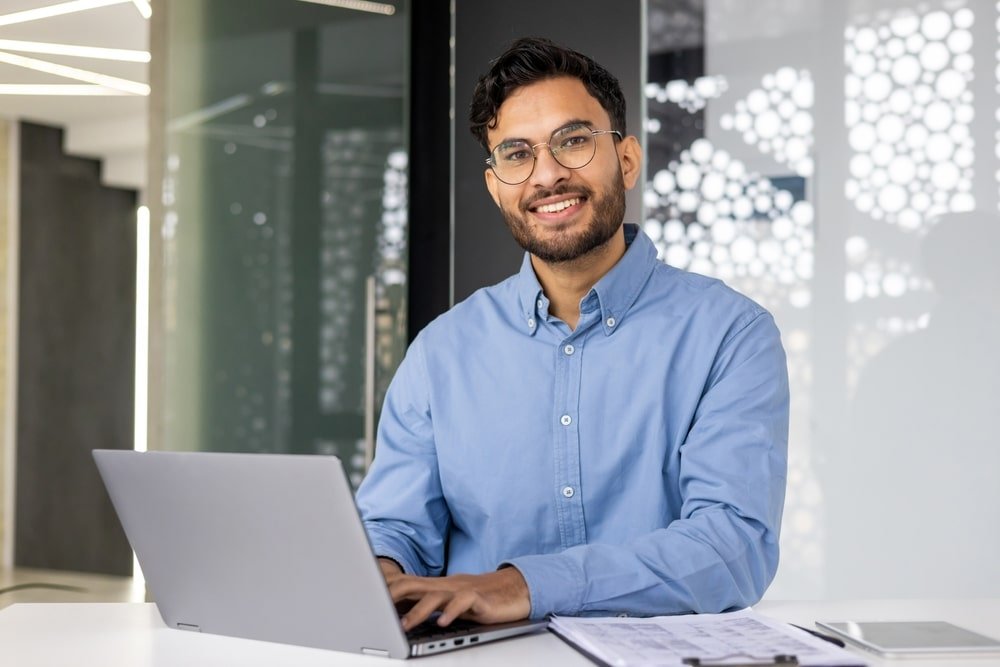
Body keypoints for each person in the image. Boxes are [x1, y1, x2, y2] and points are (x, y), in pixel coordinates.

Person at [355, 37, 789, 630]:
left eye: (574, 141)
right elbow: (396, 525)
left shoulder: (730, 335)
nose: (548, 175)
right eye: (516, 154)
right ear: (495, 184)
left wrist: (523, 586)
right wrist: (377, 573)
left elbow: (730, 548)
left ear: (627, 160)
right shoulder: (441, 353)